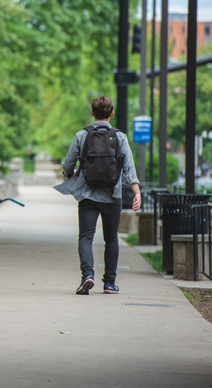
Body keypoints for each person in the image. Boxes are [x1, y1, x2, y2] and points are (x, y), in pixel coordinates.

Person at [54, 96, 141, 295]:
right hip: (113, 195)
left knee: (85, 237)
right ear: (111, 114)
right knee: (111, 238)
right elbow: (129, 169)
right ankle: (109, 284)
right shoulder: (120, 137)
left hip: (87, 195)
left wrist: (71, 179)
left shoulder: (81, 135)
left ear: (92, 113)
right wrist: (136, 191)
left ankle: (87, 276)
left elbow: (68, 164)